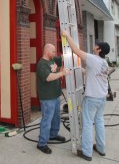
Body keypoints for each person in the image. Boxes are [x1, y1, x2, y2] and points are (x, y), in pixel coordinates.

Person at [62, 30, 110, 161]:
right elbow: (90, 72)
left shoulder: (94, 59)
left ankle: (87, 152)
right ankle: (101, 148)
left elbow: (76, 51)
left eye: (96, 45)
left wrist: (67, 35)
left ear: (99, 50)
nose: (95, 46)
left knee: (88, 123)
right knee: (99, 121)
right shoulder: (103, 63)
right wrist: (77, 69)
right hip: (101, 98)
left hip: (92, 98)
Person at [36, 43, 71, 154]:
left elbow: (63, 57)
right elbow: (48, 77)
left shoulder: (53, 60)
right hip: (47, 98)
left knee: (56, 117)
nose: (55, 53)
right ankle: (42, 143)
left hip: (56, 95)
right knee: (47, 120)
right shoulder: (42, 64)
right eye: (53, 52)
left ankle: (53, 135)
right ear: (47, 51)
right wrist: (62, 73)